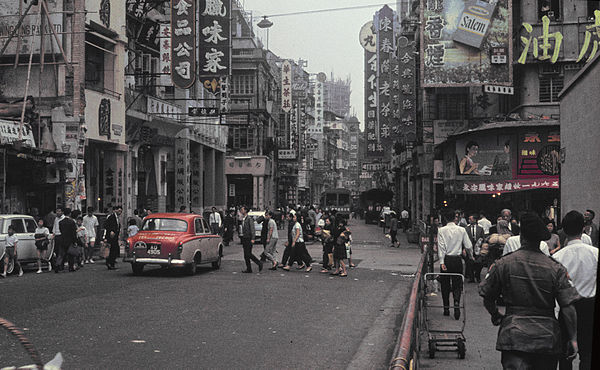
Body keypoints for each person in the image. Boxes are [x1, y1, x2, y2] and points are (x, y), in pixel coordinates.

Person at [479, 212, 580, 370]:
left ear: (521, 237)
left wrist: (495, 315)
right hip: (547, 338)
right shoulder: (555, 268)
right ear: (540, 239)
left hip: (514, 336)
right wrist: (573, 338)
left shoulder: (503, 264)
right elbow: (568, 307)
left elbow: (487, 295)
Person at [553, 211, 598, 370]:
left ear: (564, 230)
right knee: (588, 354)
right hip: (589, 308)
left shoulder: (557, 257)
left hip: (565, 309)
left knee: (565, 356)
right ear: (584, 228)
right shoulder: (595, 253)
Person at [437, 209, 473, 319]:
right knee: (457, 283)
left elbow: (441, 247)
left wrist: (441, 261)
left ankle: (446, 308)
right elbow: (468, 245)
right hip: (457, 260)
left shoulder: (441, 230)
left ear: (445, 219)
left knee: (445, 284)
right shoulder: (462, 230)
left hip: (447, 259)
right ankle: (456, 302)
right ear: (455, 218)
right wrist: (471, 255)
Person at [240, 206, 262, 273]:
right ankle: (249, 268)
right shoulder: (243, 218)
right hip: (244, 238)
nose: (241, 211)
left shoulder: (249, 219)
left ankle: (259, 263)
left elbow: (252, 229)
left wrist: (253, 238)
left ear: (246, 210)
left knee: (248, 254)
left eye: (242, 209)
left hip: (249, 238)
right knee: (245, 255)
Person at [464, 213, 485, 283]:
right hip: (469, 247)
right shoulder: (466, 229)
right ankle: (471, 277)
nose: (469, 220)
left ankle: (477, 275)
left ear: (475, 220)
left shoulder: (480, 228)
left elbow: (483, 238)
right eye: (469, 219)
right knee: (469, 263)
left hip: (478, 247)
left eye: (471, 219)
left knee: (479, 262)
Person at [58, 208, 78, 272]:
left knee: (61, 254)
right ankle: (70, 267)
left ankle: (59, 266)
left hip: (63, 239)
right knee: (71, 254)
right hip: (70, 239)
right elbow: (74, 232)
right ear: (69, 213)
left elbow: (60, 230)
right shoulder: (72, 222)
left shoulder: (61, 222)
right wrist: (75, 241)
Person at [104, 205, 122, 270]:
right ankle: (110, 262)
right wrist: (111, 231)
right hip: (111, 236)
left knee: (114, 249)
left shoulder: (118, 218)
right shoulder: (111, 217)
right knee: (112, 249)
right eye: (119, 210)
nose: (120, 212)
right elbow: (105, 225)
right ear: (116, 210)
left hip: (115, 236)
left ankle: (111, 262)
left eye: (121, 211)